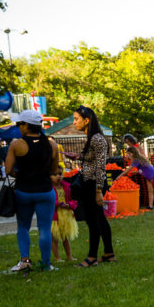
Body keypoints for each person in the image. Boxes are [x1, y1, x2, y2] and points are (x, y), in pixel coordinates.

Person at [5, 109, 59, 272]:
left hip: (24, 191)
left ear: (27, 125)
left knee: (23, 227)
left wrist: (22, 176)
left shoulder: (16, 144)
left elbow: (8, 170)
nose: (18, 126)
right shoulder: (52, 144)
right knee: (44, 228)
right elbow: (53, 170)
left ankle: (25, 261)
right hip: (45, 191)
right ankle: (45, 264)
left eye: (20, 124)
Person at [65, 105, 114, 267]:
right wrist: (79, 156)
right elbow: (92, 160)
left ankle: (92, 257)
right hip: (90, 182)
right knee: (100, 218)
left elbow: (101, 166)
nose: (74, 122)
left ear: (87, 120)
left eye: (76, 119)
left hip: (94, 184)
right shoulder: (92, 138)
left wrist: (98, 191)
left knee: (93, 220)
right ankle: (109, 253)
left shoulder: (97, 139)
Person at [51, 175, 78, 262]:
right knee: (54, 238)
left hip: (66, 215)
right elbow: (48, 200)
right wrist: (57, 203)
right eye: (54, 175)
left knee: (65, 237)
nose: (58, 176)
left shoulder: (67, 186)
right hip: (55, 215)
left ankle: (69, 256)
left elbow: (73, 199)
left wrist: (69, 205)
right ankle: (57, 258)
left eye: (60, 174)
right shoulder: (49, 188)